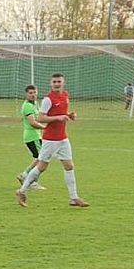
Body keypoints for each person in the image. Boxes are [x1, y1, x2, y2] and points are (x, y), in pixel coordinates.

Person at [16, 73, 88, 208]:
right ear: (51, 83)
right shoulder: (48, 99)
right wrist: (58, 118)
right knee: (41, 167)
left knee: (69, 166)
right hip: (50, 139)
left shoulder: (65, 96)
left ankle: (73, 198)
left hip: (63, 138)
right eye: (54, 82)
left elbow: (60, 114)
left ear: (63, 83)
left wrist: (69, 115)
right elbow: (41, 118)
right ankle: (22, 191)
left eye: (59, 81)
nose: (56, 84)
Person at [16, 84, 46, 191]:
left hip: (36, 136)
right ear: (26, 94)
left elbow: (39, 118)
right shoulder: (28, 106)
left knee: (40, 158)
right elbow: (32, 122)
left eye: (34, 92)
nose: (33, 95)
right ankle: (30, 179)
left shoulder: (35, 104)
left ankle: (25, 176)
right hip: (32, 136)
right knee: (41, 159)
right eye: (30, 93)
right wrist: (45, 128)